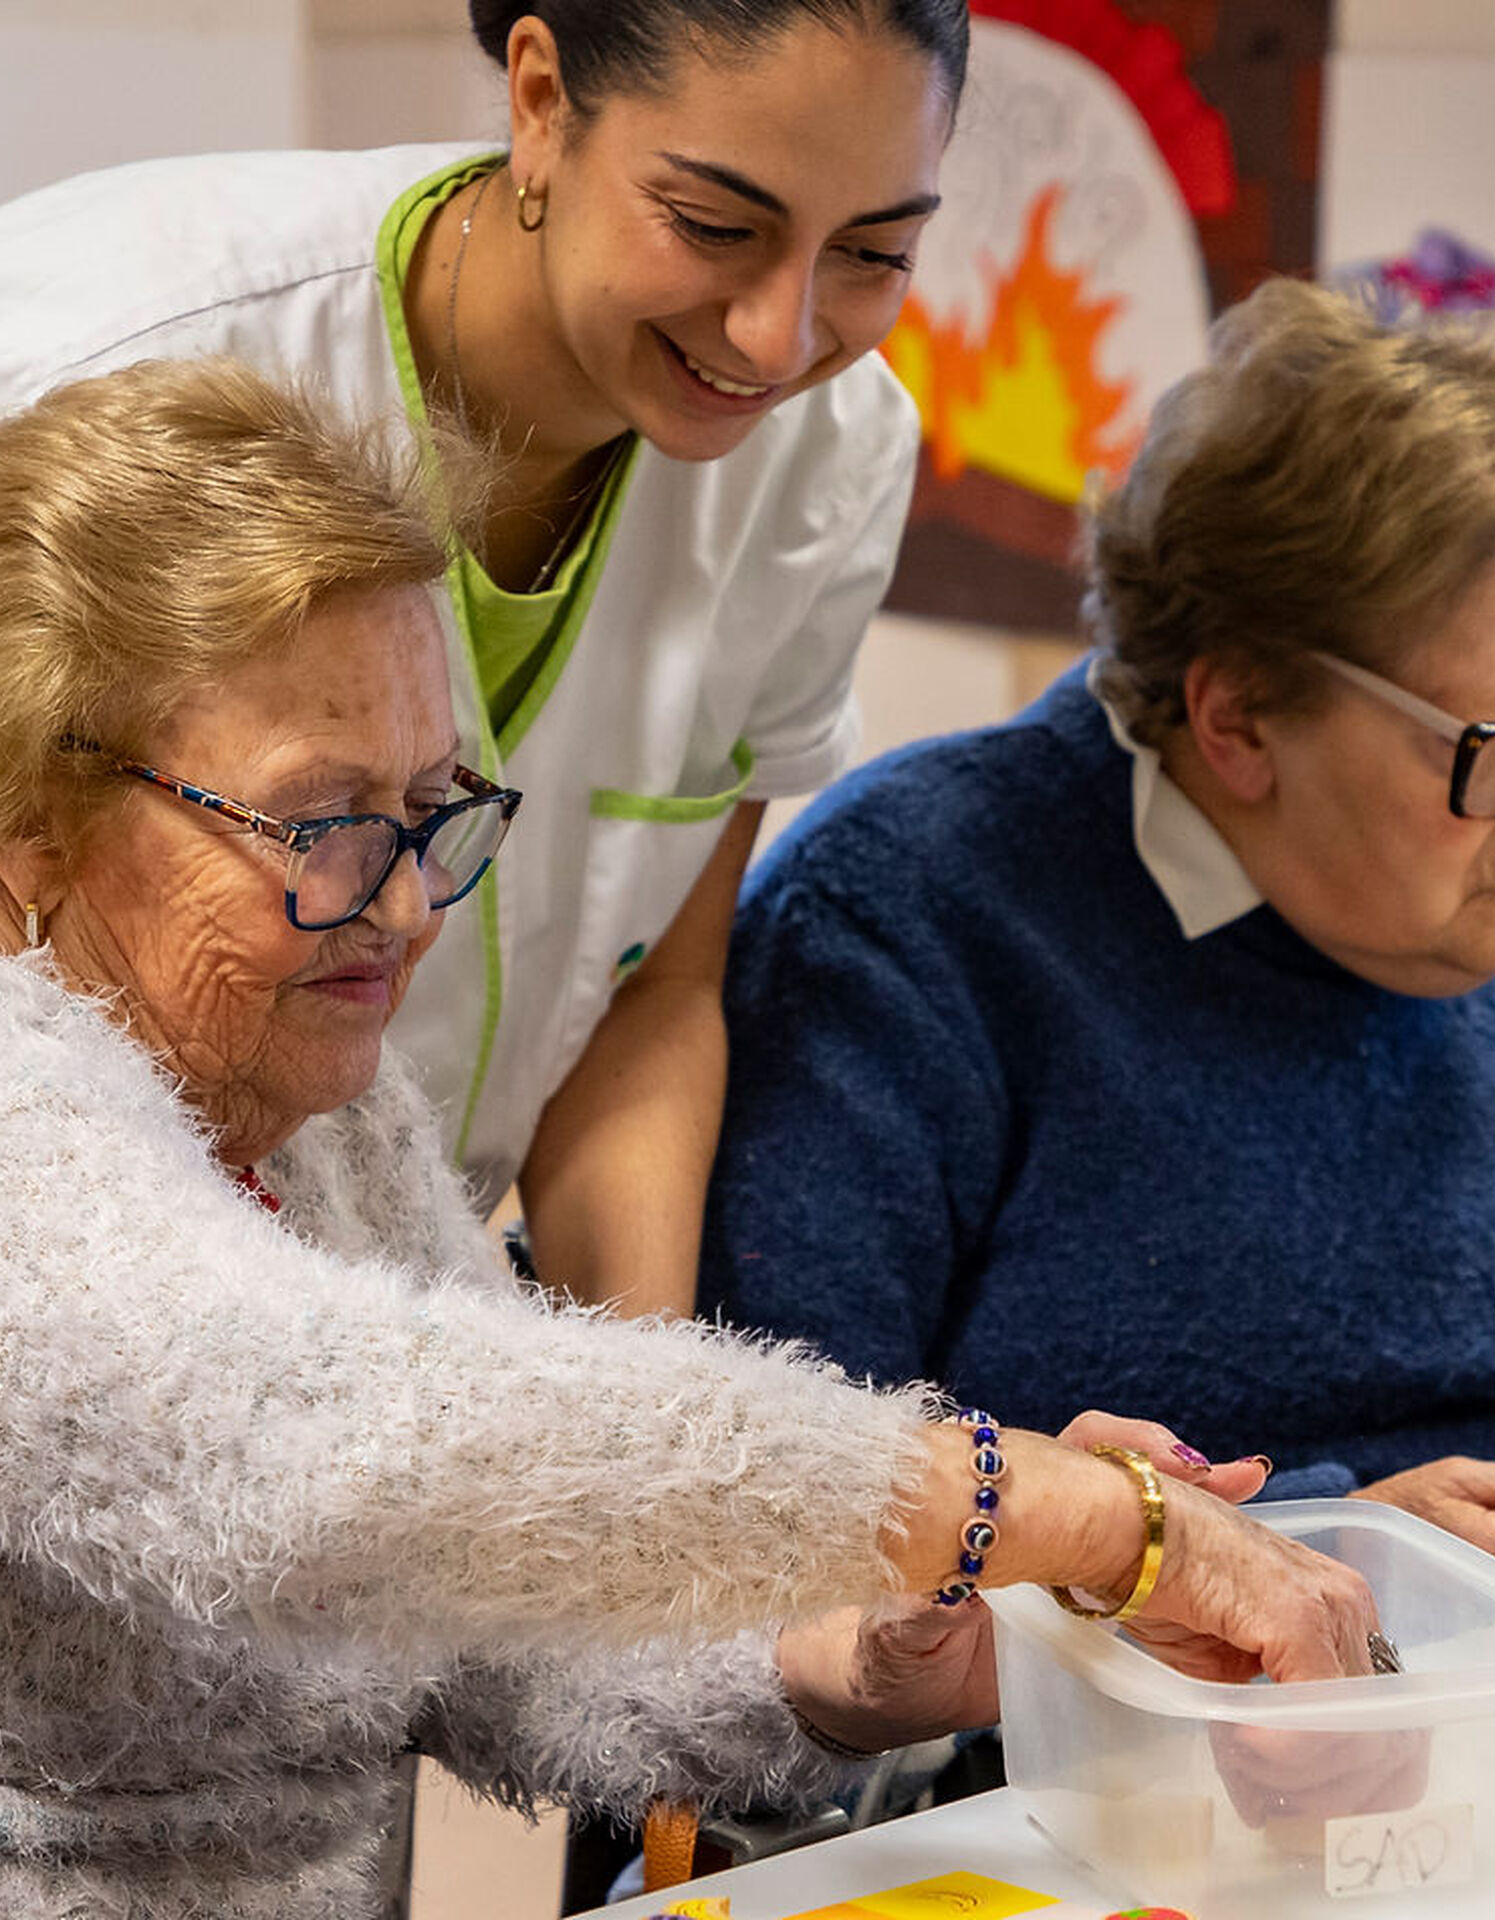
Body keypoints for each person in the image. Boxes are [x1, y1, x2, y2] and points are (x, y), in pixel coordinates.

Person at [0, 356, 1389, 1918]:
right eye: (322, 828)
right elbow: (377, 1449)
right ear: (33, 820)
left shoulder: (316, 1108)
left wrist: (890, 1641)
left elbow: (514, 1639)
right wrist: (1057, 1508)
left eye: (430, 810)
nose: (402, 906)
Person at [698, 277, 1495, 1601]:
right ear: (1239, 722)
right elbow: (787, 1518)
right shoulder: (912, 930)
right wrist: (1337, 1548)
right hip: (1124, 1762)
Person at [0, 0, 966, 1312]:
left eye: (875, 250)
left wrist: (643, 1421)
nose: (779, 339)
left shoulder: (827, 460)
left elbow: (654, 997)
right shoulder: (96, 359)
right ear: (539, 98)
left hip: (413, 1312)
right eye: (716, 227)